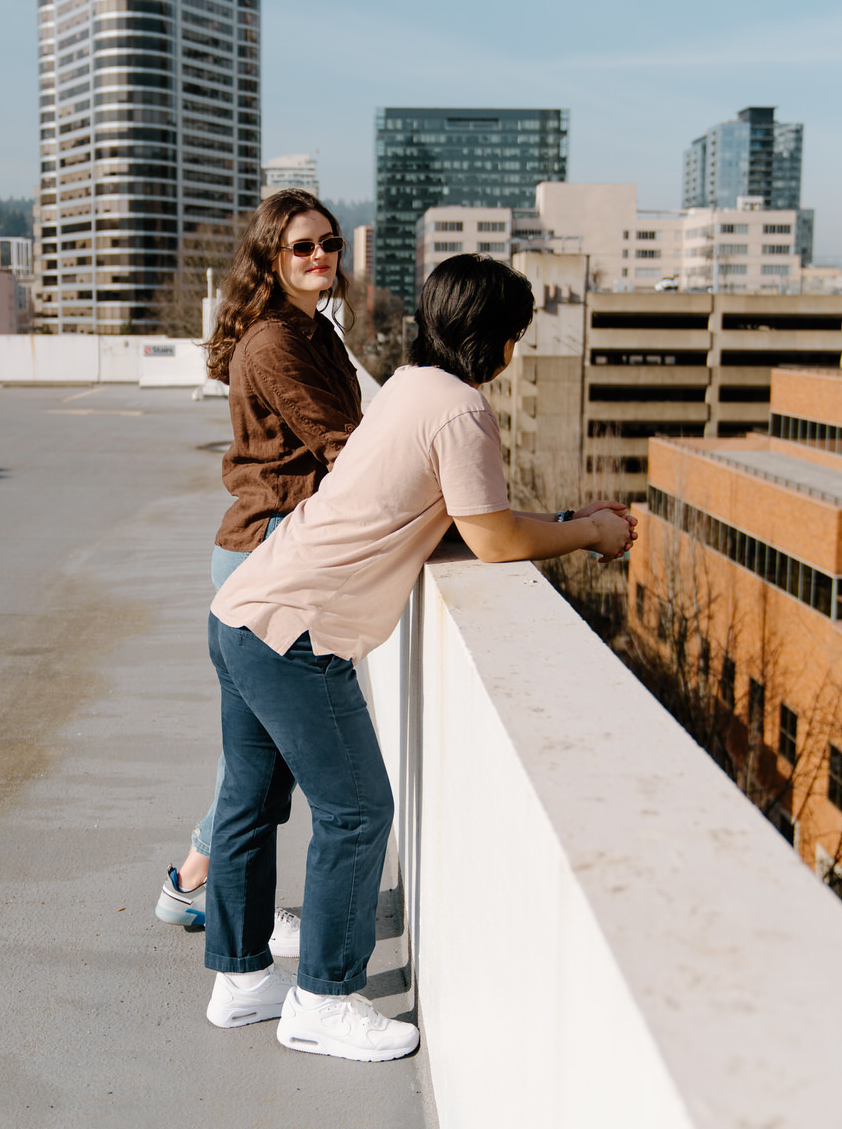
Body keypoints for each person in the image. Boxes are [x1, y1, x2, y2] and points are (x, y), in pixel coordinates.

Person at [202, 254, 637, 1062]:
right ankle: (323, 1000)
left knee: (246, 804)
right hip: (297, 632)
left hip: (242, 611)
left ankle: (241, 980)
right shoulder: (461, 410)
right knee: (358, 812)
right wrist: (587, 532)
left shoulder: (407, 386)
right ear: (499, 341)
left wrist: (569, 515)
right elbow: (494, 536)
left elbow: (473, 514)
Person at [155, 190, 361, 961]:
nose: (319, 258)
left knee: (255, 762)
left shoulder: (317, 332)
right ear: (272, 256)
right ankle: (204, 895)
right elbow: (345, 446)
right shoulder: (276, 343)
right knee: (270, 767)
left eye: (329, 244)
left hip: (270, 550)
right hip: (266, 553)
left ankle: (194, 886)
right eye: (302, 247)